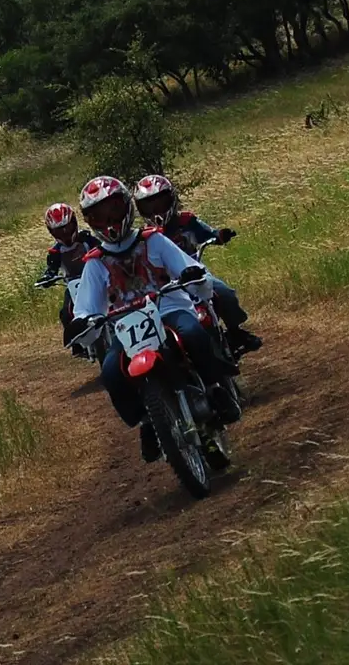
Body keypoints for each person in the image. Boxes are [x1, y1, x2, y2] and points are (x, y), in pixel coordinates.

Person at [72, 176, 239, 462]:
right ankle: (147, 420)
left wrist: (191, 275)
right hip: (126, 326)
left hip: (169, 308)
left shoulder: (153, 240)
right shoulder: (95, 262)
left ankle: (214, 388)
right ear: (90, 221)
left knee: (193, 334)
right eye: (99, 217)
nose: (109, 222)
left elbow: (186, 266)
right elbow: (85, 307)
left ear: (127, 208)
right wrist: (84, 322)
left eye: (113, 212)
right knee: (111, 370)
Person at [132, 175, 261, 357]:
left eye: (161, 204)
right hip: (166, 285)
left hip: (196, 275)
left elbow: (207, 233)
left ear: (172, 199)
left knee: (224, 293)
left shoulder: (186, 221)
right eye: (149, 207)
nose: (156, 211)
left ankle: (235, 331)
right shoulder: (145, 236)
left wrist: (219, 235)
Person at [37, 202, 100, 350]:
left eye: (67, 228)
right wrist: (47, 278)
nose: (65, 233)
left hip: (95, 278)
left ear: (74, 223)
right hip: (73, 284)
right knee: (66, 313)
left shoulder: (87, 239)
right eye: (59, 231)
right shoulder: (55, 251)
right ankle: (76, 345)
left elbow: (102, 249)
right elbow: (51, 269)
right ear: (52, 232)